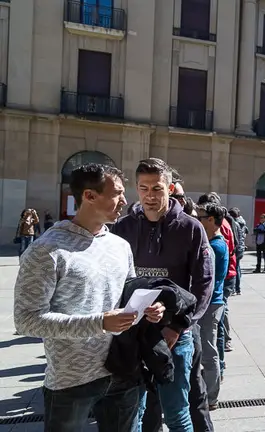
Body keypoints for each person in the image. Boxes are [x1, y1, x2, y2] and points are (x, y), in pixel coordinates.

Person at [14, 163, 165, 432]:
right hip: (72, 379)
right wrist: (99, 323)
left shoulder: (120, 245)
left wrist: (148, 310)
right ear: (89, 196)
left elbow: (128, 298)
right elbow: (26, 320)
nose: (125, 201)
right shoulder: (46, 250)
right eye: (117, 193)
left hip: (124, 370)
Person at [112, 158, 213, 432]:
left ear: (169, 188)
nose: (150, 196)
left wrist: (178, 326)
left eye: (156, 189)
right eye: (143, 188)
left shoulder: (191, 228)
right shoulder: (123, 228)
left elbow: (204, 284)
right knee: (136, 412)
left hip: (175, 336)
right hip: (134, 334)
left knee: (178, 413)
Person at [196, 203, 228, 411]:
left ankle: (211, 397)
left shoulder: (214, 246)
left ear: (211, 220)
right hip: (214, 302)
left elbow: (207, 279)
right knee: (208, 348)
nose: (197, 219)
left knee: (208, 350)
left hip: (211, 303)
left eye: (201, 216)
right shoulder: (216, 242)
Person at [228, 207, 248, 290]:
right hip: (241, 246)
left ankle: (235, 287)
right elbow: (246, 233)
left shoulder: (234, 223)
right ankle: (237, 287)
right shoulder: (242, 223)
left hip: (237, 247)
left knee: (234, 268)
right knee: (238, 267)